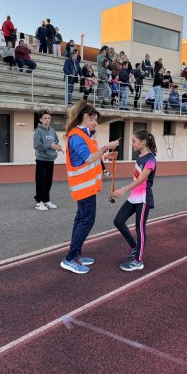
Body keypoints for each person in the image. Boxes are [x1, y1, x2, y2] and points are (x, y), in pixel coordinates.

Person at [60, 101, 119, 274]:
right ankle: (70, 258)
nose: (96, 123)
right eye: (94, 120)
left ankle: (75, 253)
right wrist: (106, 147)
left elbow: (92, 158)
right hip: (83, 186)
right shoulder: (77, 135)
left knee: (81, 219)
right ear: (86, 117)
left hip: (86, 186)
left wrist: (105, 155)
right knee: (86, 220)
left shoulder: (82, 135)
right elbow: (88, 159)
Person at [111, 130, 157, 271]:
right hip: (134, 197)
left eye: (133, 141)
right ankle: (133, 247)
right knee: (118, 221)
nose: (131, 144)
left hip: (143, 199)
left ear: (143, 142)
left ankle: (138, 260)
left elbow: (142, 179)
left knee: (140, 228)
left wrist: (123, 190)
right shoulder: (139, 158)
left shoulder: (151, 159)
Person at [33, 109, 62, 211]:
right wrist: (50, 145)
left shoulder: (52, 130)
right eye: (45, 118)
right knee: (41, 181)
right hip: (41, 159)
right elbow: (36, 145)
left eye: (49, 118)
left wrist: (57, 146)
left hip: (51, 159)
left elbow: (56, 140)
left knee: (48, 181)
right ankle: (39, 201)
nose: (47, 120)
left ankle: (46, 200)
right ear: (40, 119)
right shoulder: (38, 131)